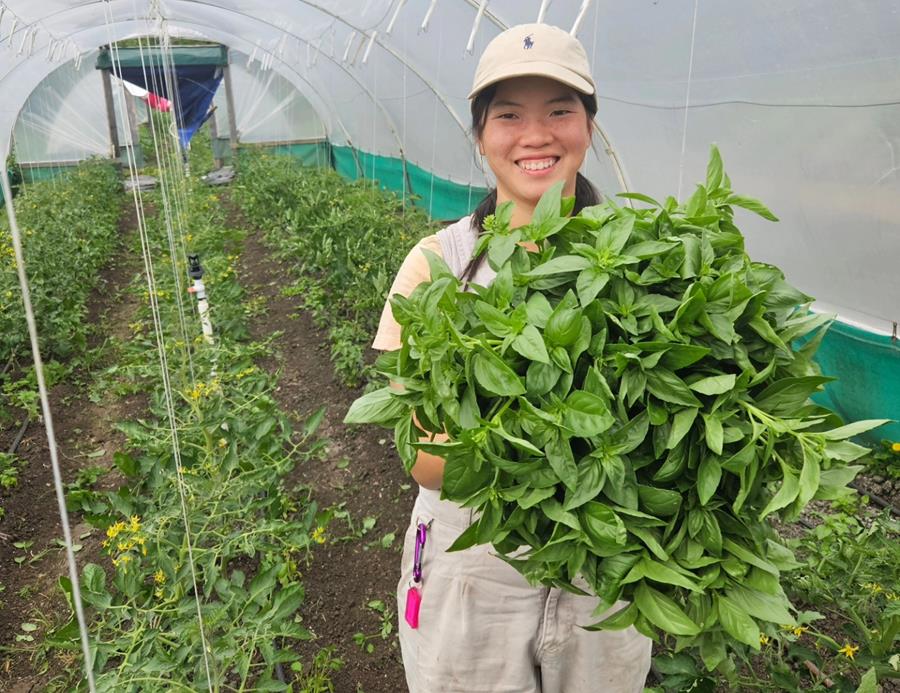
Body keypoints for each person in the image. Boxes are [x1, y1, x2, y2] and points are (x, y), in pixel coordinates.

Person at [372, 23, 652, 693]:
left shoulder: (642, 263)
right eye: (509, 115)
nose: (537, 135)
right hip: (476, 567)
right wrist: (562, 439)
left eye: (560, 110)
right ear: (479, 135)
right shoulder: (435, 266)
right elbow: (425, 457)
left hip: (601, 563)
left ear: (588, 125)